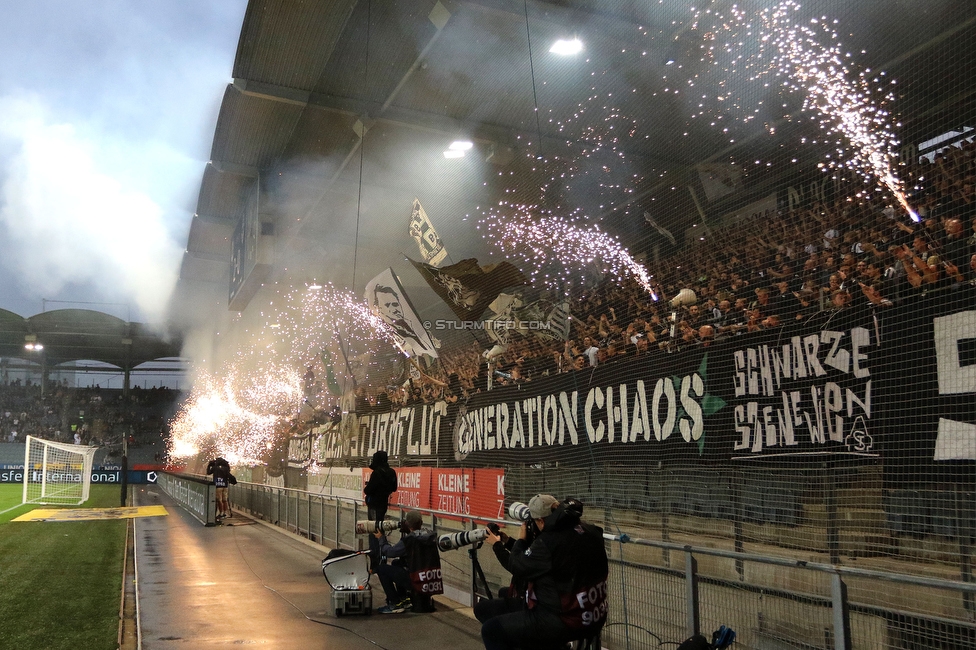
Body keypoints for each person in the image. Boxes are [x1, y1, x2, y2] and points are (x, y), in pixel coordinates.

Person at [480, 495, 610, 650]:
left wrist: (507, 543)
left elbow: (518, 565)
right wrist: (508, 542)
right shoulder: (590, 531)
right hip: (593, 615)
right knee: (487, 607)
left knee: (491, 630)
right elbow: (540, 560)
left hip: (562, 619)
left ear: (541, 521)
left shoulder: (548, 542)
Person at [371, 510, 442, 614]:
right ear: (421, 523)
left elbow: (389, 552)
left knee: (381, 569)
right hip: (428, 579)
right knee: (397, 563)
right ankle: (404, 599)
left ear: (407, 523)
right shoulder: (430, 535)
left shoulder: (409, 540)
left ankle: (395, 603)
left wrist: (381, 538)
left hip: (415, 580)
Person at [364, 450, 398, 531]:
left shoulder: (376, 473)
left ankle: (376, 543)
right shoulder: (392, 472)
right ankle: (381, 543)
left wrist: (370, 486)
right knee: (380, 527)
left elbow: (368, 490)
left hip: (374, 505)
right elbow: (394, 488)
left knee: (374, 529)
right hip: (383, 504)